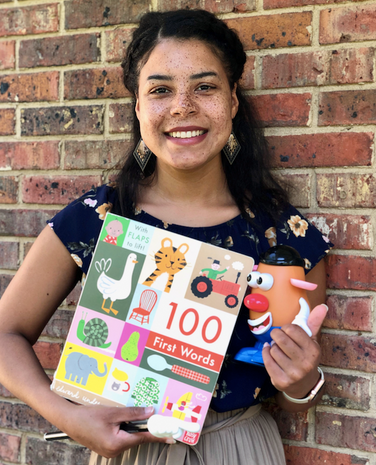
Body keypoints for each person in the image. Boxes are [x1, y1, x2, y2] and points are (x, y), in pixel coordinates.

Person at [0, 9, 332, 465]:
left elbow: (302, 394)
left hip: (239, 448)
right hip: (131, 452)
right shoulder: (99, 218)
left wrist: (299, 382)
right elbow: (5, 333)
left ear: (233, 100)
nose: (182, 107)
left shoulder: (282, 238)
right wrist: (66, 416)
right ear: (138, 107)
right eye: (160, 90)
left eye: (205, 87)